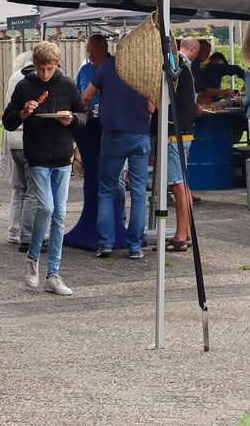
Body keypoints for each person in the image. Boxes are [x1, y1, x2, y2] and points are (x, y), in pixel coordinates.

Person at [3, 41, 86, 295]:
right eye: (40, 68)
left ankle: (53, 273)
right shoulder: (25, 85)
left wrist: (71, 118)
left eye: (49, 68)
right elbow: (7, 120)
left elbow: (83, 115)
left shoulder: (67, 84)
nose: (45, 74)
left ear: (56, 65)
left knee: (59, 213)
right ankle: (32, 258)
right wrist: (23, 114)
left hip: (62, 157)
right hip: (37, 156)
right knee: (46, 207)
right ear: (34, 65)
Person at [82, 39, 154, 260]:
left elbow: (86, 95)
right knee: (139, 193)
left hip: (113, 136)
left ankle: (106, 244)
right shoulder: (143, 69)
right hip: (140, 136)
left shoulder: (107, 67)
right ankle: (134, 247)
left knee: (106, 190)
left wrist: (90, 112)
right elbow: (152, 106)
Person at [163, 38, 200, 251]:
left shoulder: (176, 65)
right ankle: (184, 233)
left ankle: (180, 235)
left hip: (175, 133)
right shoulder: (186, 67)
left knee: (177, 185)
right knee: (182, 184)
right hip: (184, 131)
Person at [0, 49, 37, 251]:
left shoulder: (15, 77)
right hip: (28, 139)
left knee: (20, 188)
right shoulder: (31, 80)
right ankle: (26, 233)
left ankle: (16, 230)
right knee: (31, 190)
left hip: (13, 139)